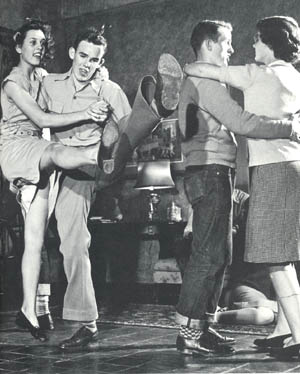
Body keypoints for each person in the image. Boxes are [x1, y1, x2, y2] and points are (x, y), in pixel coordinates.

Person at [37, 27, 183, 351]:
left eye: (96, 59)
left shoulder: (109, 88)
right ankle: (69, 318)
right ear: (72, 53)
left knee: (125, 132)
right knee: (60, 243)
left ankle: (154, 111)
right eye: (84, 56)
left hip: (94, 169)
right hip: (59, 168)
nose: (87, 64)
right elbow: (35, 119)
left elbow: (133, 139)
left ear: (102, 61)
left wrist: (116, 135)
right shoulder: (49, 85)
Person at [175, 19, 300, 357]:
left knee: (220, 254)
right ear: (210, 45)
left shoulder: (205, 79)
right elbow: (241, 122)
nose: (232, 49)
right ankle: (189, 330)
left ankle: (204, 326)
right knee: (208, 255)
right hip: (211, 172)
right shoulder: (205, 80)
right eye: (227, 43)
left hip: (218, 172)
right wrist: (289, 128)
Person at [0, 19, 110, 342]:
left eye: (41, 44)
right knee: (58, 150)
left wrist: (100, 78)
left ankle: (28, 311)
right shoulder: (10, 83)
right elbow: (43, 119)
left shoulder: (44, 78)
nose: (38, 48)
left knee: (34, 239)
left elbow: (63, 89)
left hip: (37, 151)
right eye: (31, 42)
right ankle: (95, 157)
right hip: (18, 147)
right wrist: (89, 115)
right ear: (18, 46)